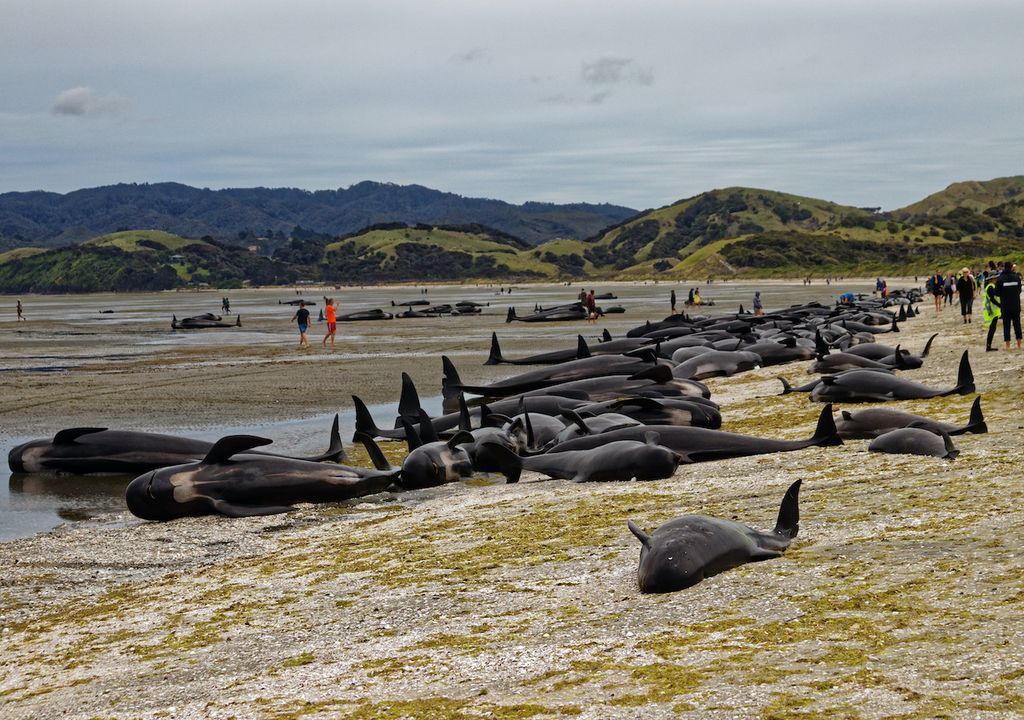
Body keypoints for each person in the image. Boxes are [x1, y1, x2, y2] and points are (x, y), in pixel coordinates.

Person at [995, 259, 1022, 350]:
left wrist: (1004, 294)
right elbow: (1019, 290)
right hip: (1015, 305)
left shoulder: (1000, 279)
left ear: (1004, 268)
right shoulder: (1016, 277)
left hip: (1005, 306)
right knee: (1017, 324)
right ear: (1011, 267)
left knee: (1006, 325)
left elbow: (997, 293)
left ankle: (1008, 346)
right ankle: (1019, 345)